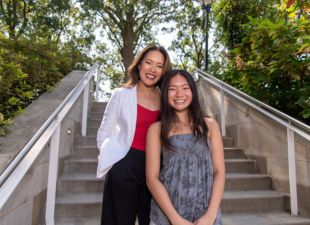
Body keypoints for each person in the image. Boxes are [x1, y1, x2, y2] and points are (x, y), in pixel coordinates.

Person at [96, 44, 172, 225]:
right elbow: (104, 132)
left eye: (159, 66)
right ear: (139, 65)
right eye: (149, 63)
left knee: (153, 220)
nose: (153, 69)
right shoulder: (121, 94)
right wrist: (114, 163)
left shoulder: (165, 99)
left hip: (155, 169)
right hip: (124, 165)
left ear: (163, 72)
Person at [146, 70, 225, 225]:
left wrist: (210, 215)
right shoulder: (156, 129)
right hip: (168, 215)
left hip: (206, 214)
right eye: (172, 89)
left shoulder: (210, 125)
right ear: (165, 94)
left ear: (193, 92)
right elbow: (152, 179)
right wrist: (176, 220)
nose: (179, 94)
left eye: (185, 88)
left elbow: (219, 172)